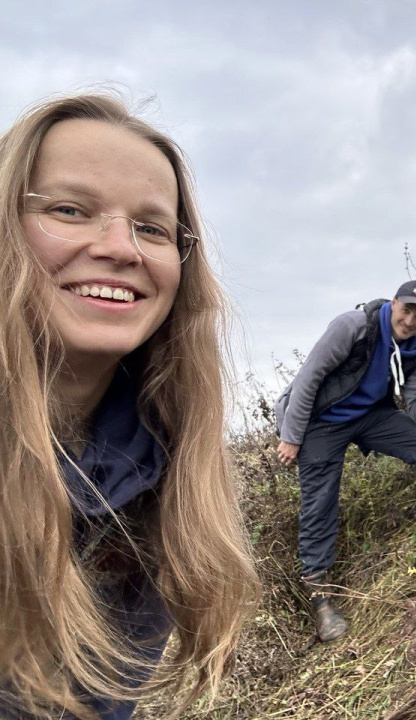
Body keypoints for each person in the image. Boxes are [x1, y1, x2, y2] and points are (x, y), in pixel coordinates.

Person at [0, 94, 260, 719]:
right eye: (69, 209)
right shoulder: (354, 332)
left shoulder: (168, 479)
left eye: (151, 227)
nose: (121, 248)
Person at [275, 280, 416, 642]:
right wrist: (291, 436)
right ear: (393, 304)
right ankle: (323, 607)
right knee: (319, 505)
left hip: (368, 416)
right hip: (321, 422)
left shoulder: (411, 347)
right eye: (406, 309)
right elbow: (308, 378)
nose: (409, 320)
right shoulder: (352, 327)